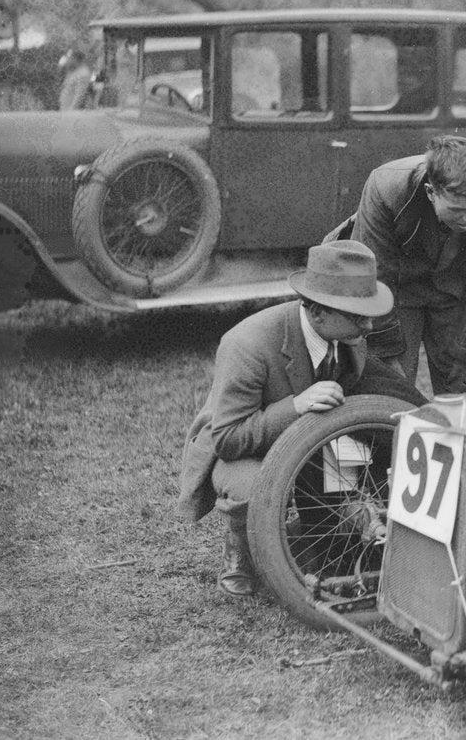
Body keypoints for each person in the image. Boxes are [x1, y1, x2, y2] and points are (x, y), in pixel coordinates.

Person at [177, 240, 425, 597]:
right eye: (358, 316)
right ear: (317, 312)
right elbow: (228, 438)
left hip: (315, 435)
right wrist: (296, 406)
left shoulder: (348, 336)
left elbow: (378, 392)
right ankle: (240, 552)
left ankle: (326, 539)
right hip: (248, 447)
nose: (369, 325)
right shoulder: (247, 345)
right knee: (254, 489)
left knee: (358, 453)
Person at [348, 134, 466, 395]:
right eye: (457, 209)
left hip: (459, 287)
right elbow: (374, 278)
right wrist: (387, 356)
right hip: (399, 289)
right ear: (431, 192)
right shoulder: (385, 187)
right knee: (389, 389)